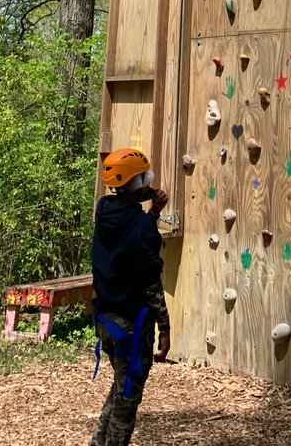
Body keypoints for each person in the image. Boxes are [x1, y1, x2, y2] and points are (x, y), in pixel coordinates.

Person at [90, 147, 171, 446]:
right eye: (144, 179)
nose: (149, 183)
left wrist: (151, 210)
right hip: (130, 327)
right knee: (127, 401)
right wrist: (165, 326)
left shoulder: (104, 210)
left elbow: (130, 231)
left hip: (106, 321)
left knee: (119, 389)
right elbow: (150, 282)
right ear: (136, 184)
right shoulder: (139, 225)